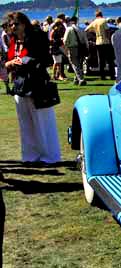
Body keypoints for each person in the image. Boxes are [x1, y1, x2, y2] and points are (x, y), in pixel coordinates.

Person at [4, 12, 61, 164]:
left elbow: (42, 58)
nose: (13, 27)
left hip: (37, 85)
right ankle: (30, 156)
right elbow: (9, 59)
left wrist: (16, 62)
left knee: (43, 123)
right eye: (11, 24)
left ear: (24, 24)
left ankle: (50, 157)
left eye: (16, 23)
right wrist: (10, 63)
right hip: (20, 85)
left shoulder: (37, 37)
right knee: (25, 124)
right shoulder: (13, 41)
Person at [86, 10, 114, 81]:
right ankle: (112, 75)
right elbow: (107, 30)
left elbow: (86, 30)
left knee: (101, 60)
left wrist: (94, 32)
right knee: (110, 60)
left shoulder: (94, 22)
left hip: (98, 42)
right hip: (106, 42)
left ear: (96, 15)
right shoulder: (103, 20)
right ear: (102, 14)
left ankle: (102, 76)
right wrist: (109, 38)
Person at [63, 16, 87, 86]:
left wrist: (66, 48)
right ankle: (76, 79)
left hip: (72, 48)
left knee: (75, 64)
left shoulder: (69, 29)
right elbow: (85, 40)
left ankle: (81, 79)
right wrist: (87, 48)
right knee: (79, 64)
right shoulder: (81, 29)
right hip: (81, 48)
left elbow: (65, 40)